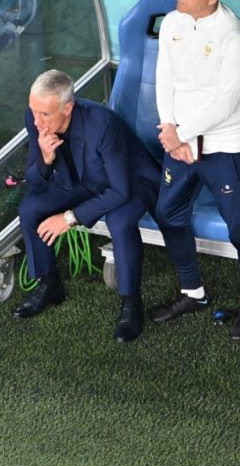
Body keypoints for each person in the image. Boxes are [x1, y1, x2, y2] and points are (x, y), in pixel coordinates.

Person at [151, 0, 240, 341]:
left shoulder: (235, 37)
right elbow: (164, 77)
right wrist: (170, 129)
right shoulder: (172, 22)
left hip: (224, 145)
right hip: (180, 143)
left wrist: (181, 134)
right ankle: (193, 292)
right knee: (168, 213)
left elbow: (226, 101)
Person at [13, 69, 164, 343]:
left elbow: (120, 190)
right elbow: (35, 183)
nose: (37, 121)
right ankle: (49, 284)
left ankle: (131, 304)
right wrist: (46, 159)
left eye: (45, 114)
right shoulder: (35, 119)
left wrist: (70, 218)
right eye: (33, 111)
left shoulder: (101, 124)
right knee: (30, 208)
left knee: (120, 223)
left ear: (68, 108)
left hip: (128, 181)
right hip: (80, 181)